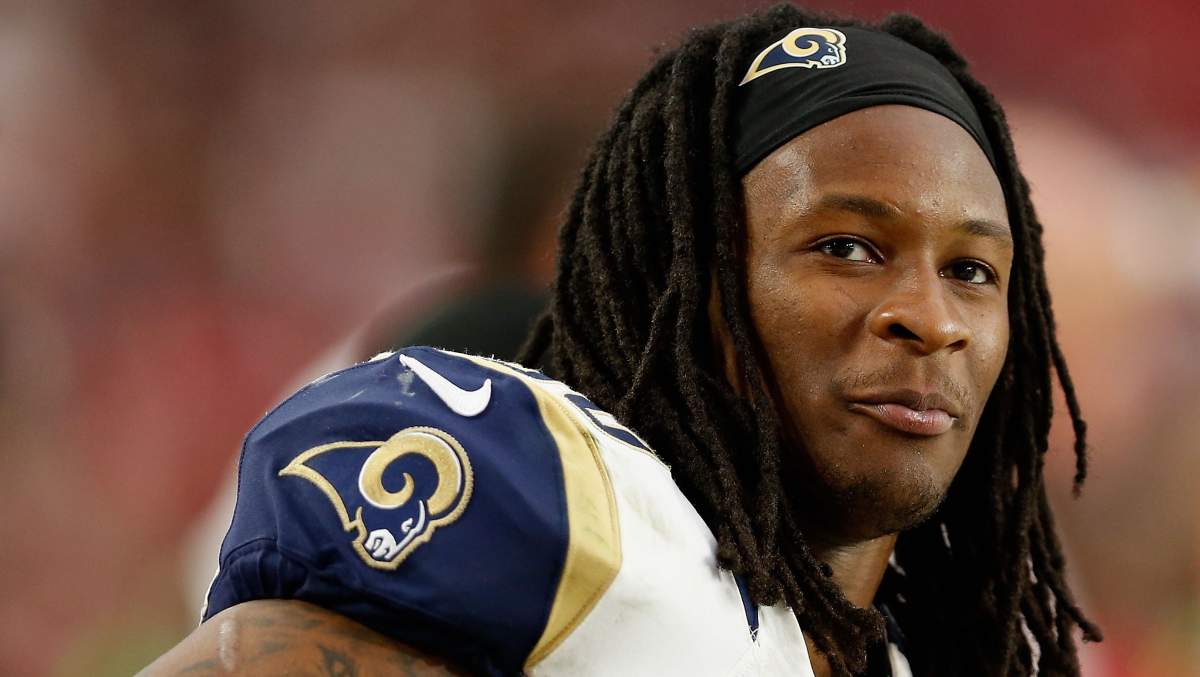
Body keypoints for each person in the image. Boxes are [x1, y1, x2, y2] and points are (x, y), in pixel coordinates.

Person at [141, 5, 1101, 676]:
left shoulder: (947, 648)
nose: (931, 317)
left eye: (972, 269)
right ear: (697, 286)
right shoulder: (585, 526)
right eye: (846, 247)